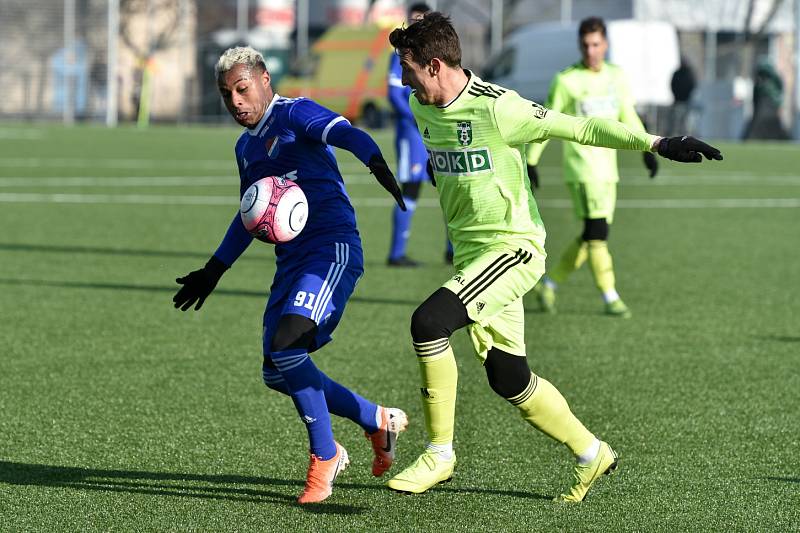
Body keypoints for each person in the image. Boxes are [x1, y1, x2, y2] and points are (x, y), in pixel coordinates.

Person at [386, 13, 721, 501]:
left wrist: (658, 142)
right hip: (471, 255)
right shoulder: (424, 105)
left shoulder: (501, 108)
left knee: (429, 322)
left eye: (408, 67)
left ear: (435, 65)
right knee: (508, 377)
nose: (402, 79)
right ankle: (592, 453)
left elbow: (581, 128)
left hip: (513, 250)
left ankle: (440, 453)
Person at [172, 46, 410, 504]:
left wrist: (375, 160)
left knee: (287, 346)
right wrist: (213, 270)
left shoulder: (294, 113)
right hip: (291, 263)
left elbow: (345, 132)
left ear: (264, 78)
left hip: (330, 249)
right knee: (276, 370)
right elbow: (251, 214)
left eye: (242, 89)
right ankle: (375, 420)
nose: (236, 102)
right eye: (227, 95)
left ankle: (325, 456)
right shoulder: (245, 148)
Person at [526, 17, 659, 318]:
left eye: (596, 44)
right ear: (579, 45)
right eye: (585, 45)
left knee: (592, 234)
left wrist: (648, 148)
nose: (591, 50)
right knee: (597, 233)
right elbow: (545, 121)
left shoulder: (617, 77)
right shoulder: (567, 81)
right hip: (582, 169)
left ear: (605, 45)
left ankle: (549, 283)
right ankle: (610, 295)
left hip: (608, 171)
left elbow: (628, 114)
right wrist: (532, 160)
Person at [386, 2, 454, 266]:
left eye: (423, 20)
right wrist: (416, 116)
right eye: (415, 20)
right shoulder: (399, 56)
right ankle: (396, 253)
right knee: (411, 189)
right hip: (412, 135)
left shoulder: (436, 55)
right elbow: (393, 94)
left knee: (449, 186)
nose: (418, 25)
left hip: (436, 131)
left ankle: (452, 249)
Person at [669, 58, 696, 136]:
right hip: (679, 101)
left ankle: (685, 135)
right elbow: (672, 85)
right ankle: (678, 135)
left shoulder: (688, 73)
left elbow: (692, 86)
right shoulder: (680, 73)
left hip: (685, 101)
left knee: (685, 121)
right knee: (677, 121)